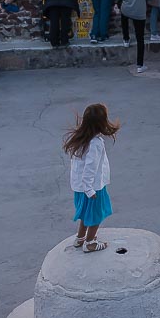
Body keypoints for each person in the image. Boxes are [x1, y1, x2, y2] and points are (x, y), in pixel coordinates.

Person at [64, 104, 117, 253]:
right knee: (96, 214)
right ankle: (90, 242)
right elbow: (90, 167)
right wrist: (89, 189)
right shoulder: (95, 143)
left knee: (86, 214)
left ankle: (80, 238)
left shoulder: (80, 138)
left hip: (79, 187)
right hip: (93, 187)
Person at [116, 0, 156, 72]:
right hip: (139, 10)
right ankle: (140, 65)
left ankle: (126, 39)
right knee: (140, 38)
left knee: (124, 17)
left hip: (126, 8)